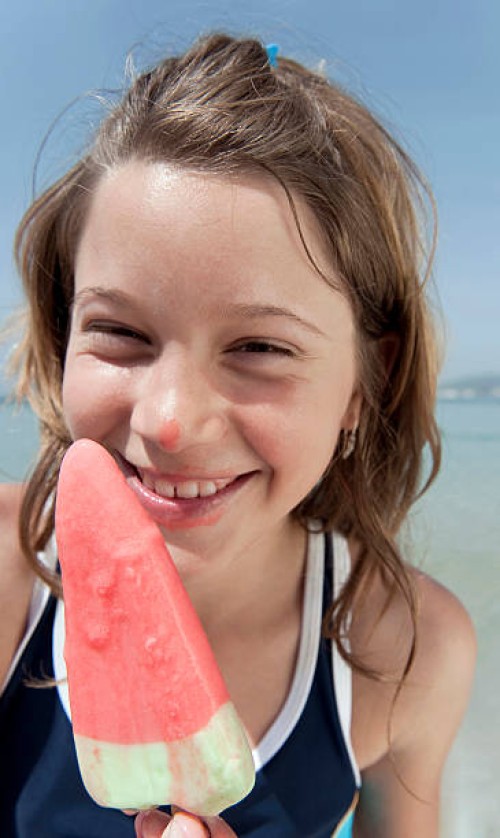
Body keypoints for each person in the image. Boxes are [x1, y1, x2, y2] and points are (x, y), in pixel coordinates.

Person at [0, 32, 476, 838]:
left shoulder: (411, 653)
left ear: (367, 382)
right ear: (62, 334)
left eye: (258, 347)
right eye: (119, 332)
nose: (168, 420)